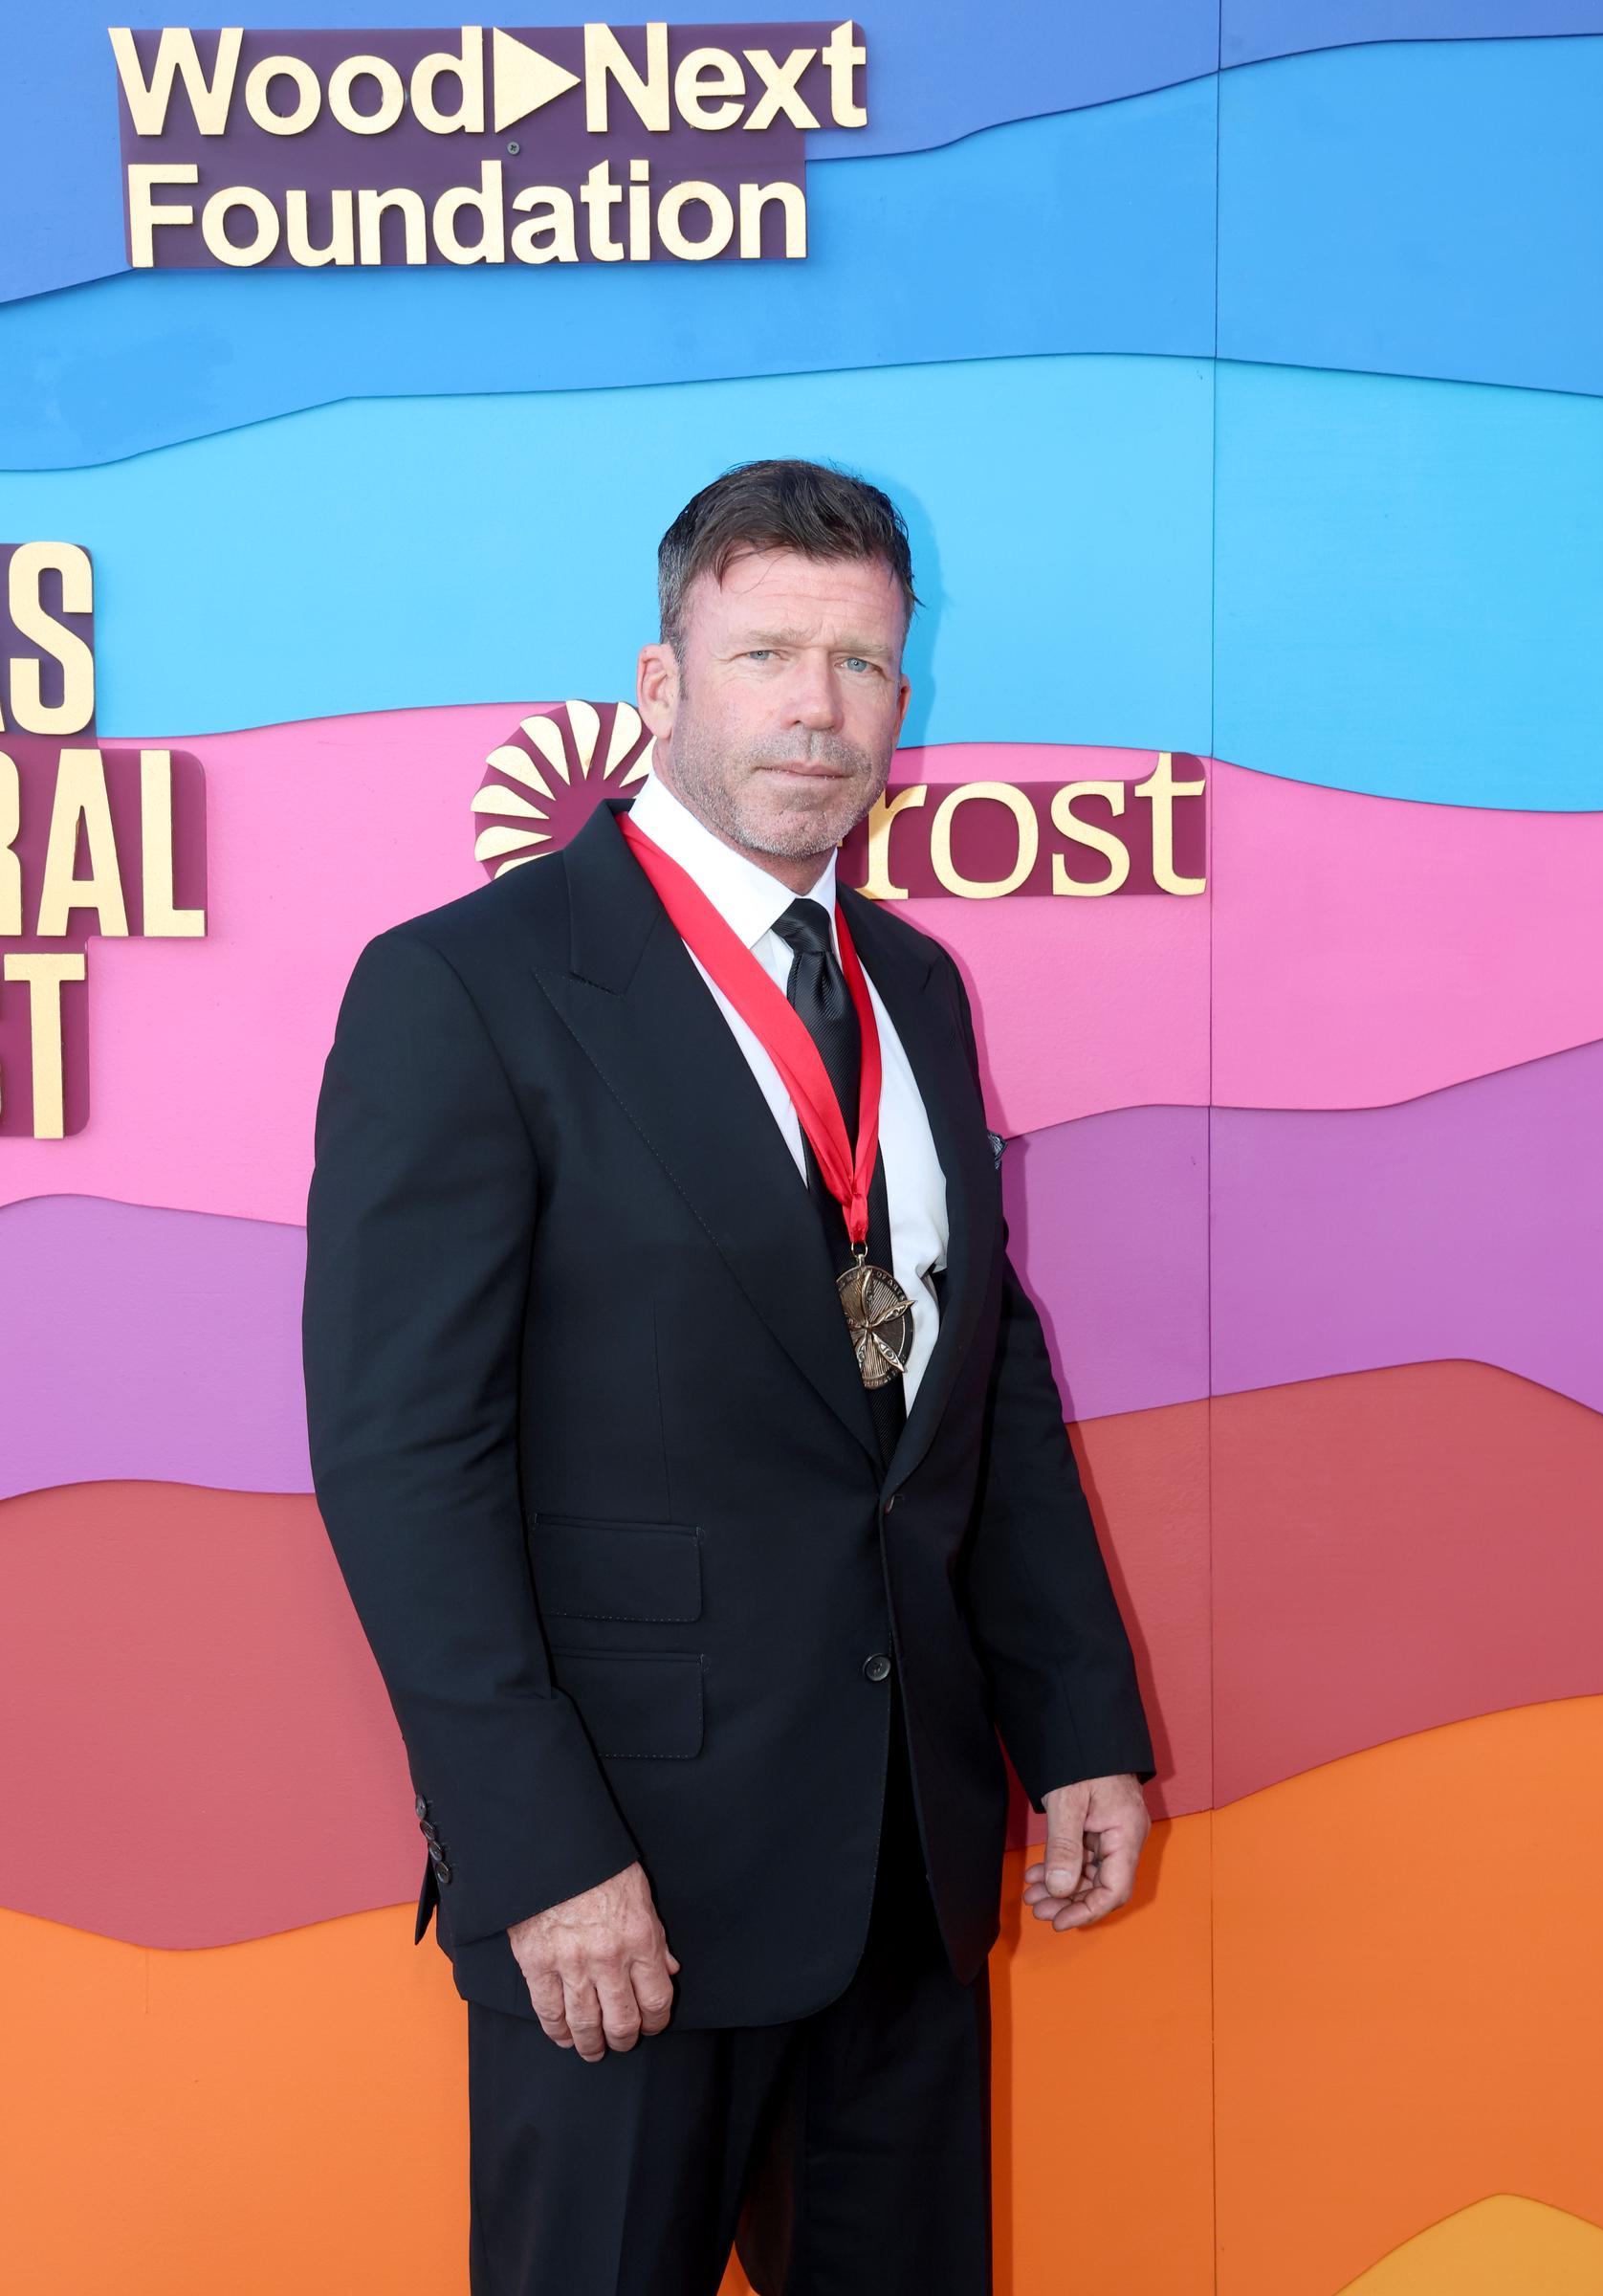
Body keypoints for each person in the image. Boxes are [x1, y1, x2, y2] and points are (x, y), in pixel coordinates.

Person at [301, 456, 1155, 2295]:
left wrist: (1073, 1716)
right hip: (625, 1891)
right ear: (661, 682)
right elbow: (402, 1465)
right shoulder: (470, 988)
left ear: (901, 704)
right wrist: (538, 1854)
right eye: (765, 652)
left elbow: (970, 1379)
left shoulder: (914, 986)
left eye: (859, 665)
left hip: (903, 1864)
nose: (816, 708)